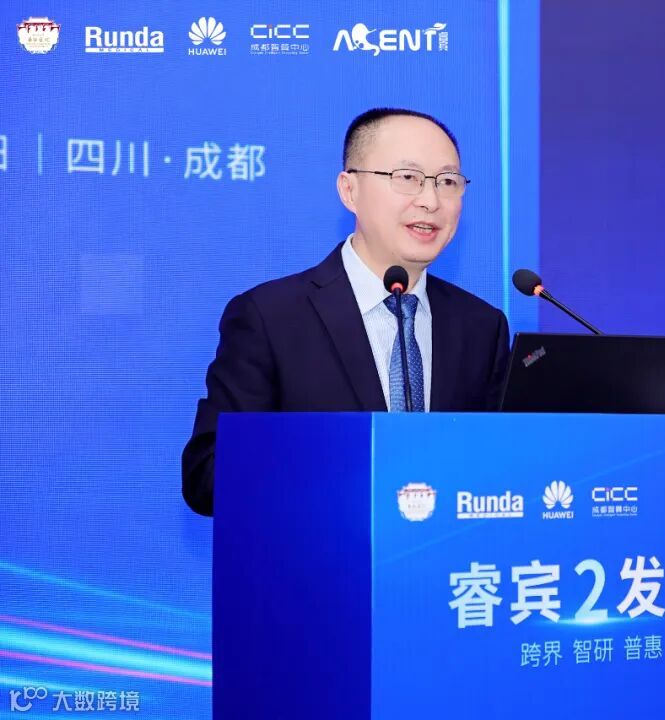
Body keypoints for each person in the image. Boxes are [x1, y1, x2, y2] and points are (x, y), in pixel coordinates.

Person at [181, 108, 509, 517]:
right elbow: (207, 477)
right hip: (318, 551)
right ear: (349, 190)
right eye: (407, 177)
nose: (430, 200)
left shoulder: (481, 326)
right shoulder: (270, 318)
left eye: (447, 182)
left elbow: (501, 465)